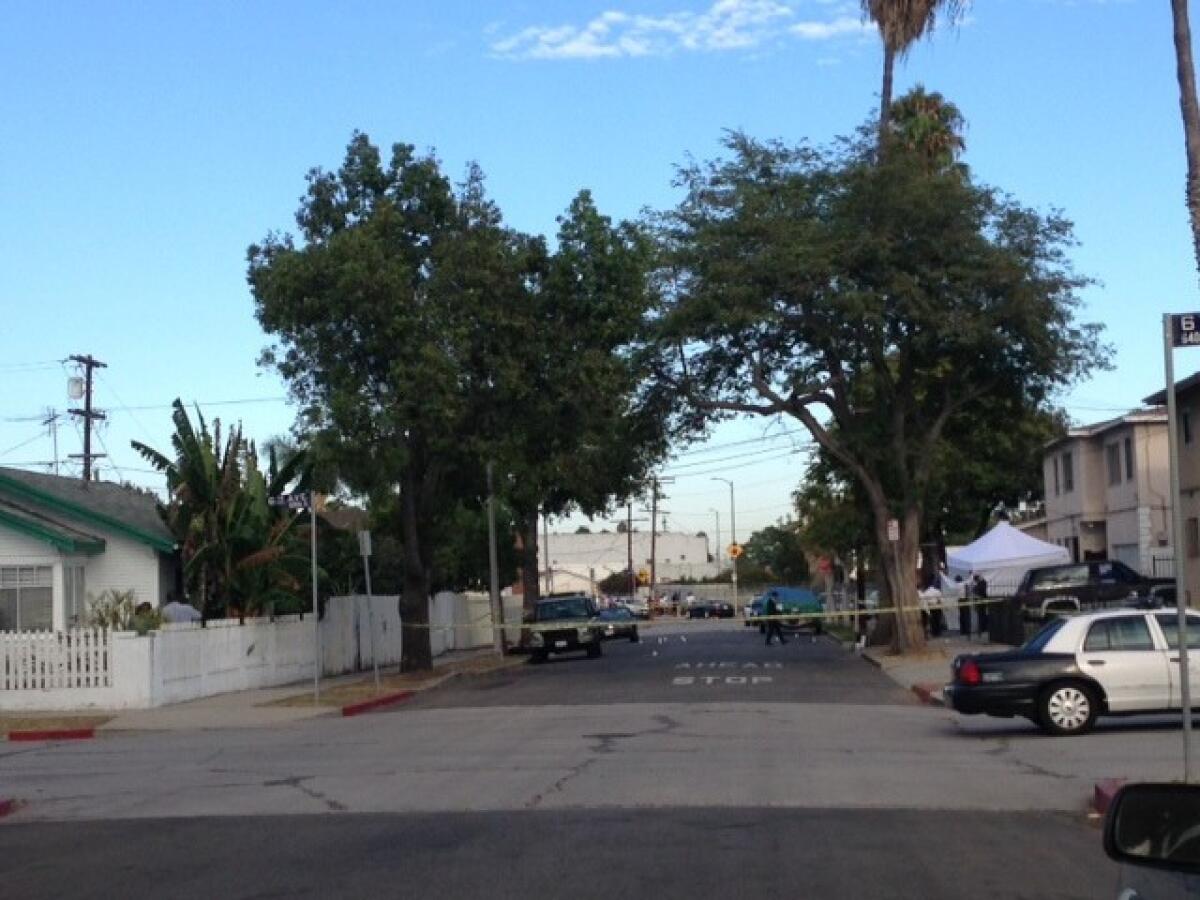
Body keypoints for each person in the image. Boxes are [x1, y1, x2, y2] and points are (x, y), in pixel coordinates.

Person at [973, 574, 989, 640]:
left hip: (981, 602)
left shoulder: (981, 584)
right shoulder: (981, 584)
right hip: (981, 602)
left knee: (982, 616)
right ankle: (982, 628)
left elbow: (979, 591)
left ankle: (982, 628)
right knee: (982, 616)